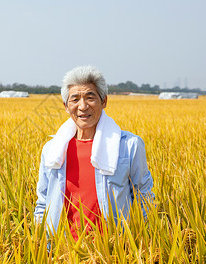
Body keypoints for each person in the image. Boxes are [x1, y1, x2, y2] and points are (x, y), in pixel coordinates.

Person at [34, 66, 154, 240]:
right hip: (63, 251)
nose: (83, 106)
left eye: (90, 98)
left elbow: (144, 196)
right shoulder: (53, 149)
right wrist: (40, 243)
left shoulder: (129, 146)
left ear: (104, 101)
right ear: (66, 106)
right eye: (74, 99)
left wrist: (142, 243)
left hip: (114, 250)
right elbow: (43, 202)